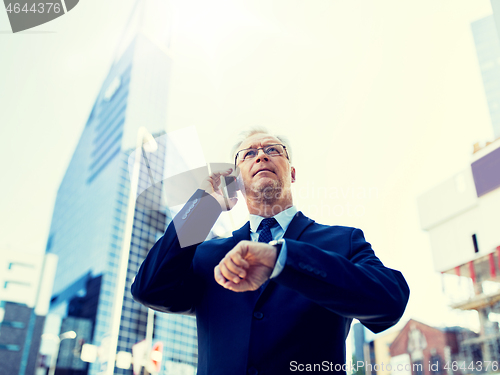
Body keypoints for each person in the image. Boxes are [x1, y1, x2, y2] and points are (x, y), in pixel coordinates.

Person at [131, 128, 410, 375]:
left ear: (292, 172)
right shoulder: (206, 255)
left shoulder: (343, 241)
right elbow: (149, 289)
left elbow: (391, 301)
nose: (261, 156)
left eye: (273, 150)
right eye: (249, 153)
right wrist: (204, 208)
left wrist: (282, 259)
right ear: (236, 180)